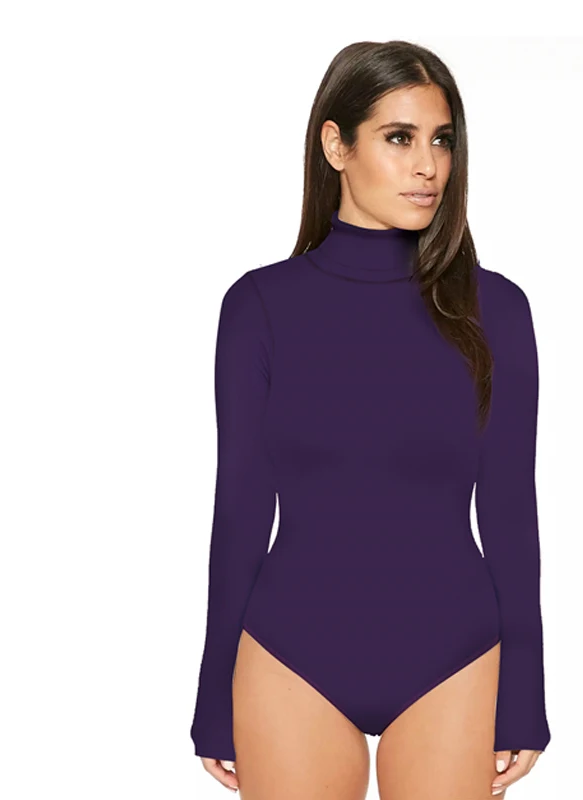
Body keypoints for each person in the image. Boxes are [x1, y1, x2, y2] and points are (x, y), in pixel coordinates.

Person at [190, 40, 551, 799]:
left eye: (441, 140)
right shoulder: (259, 307)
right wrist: (212, 694)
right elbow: (241, 509)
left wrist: (525, 694)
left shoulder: (496, 310)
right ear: (337, 145)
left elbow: (511, 513)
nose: (429, 166)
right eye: (399, 137)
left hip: (453, 651)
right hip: (290, 651)